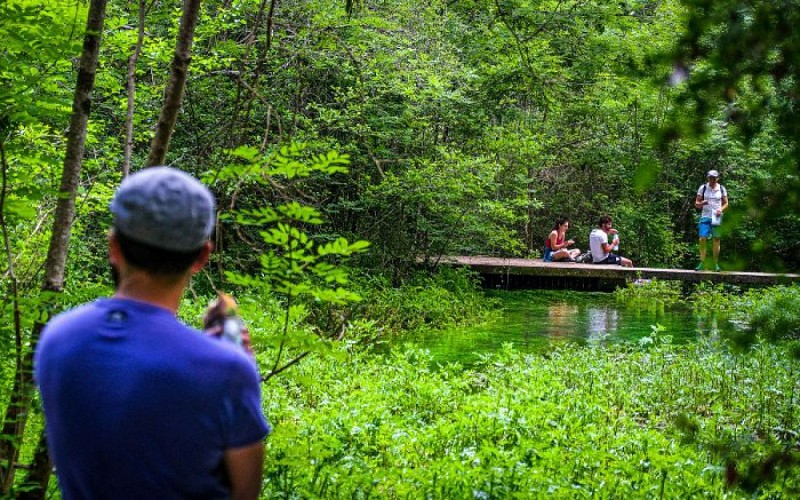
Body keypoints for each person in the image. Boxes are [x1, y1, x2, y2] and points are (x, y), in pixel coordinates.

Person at [35, 167, 270, 499]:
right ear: (202, 256)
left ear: (113, 246)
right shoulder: (226, 371)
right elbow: (245, 493)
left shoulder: (58, 337)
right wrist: (234, 365)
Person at [694, 169, 728, 271]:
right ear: (708, 178)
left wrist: (720, 209)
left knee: (716, 239)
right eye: (710, 177)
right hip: (705, 216)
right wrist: (702, 203)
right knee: (702, 238)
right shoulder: (703, 188)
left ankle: (715, 263)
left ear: (717, 178)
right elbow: (696, 203)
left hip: (716, 217)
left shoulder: (721, 188)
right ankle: (702, 262)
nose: (712, 179)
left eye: (714, 177)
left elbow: (726, 203)